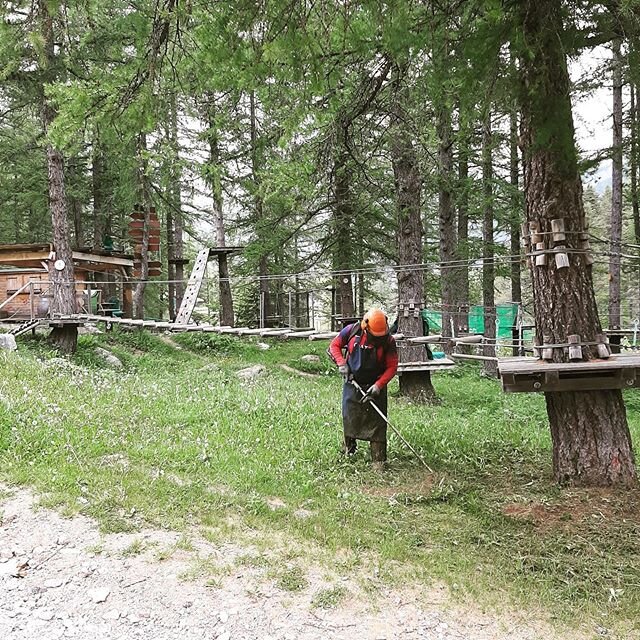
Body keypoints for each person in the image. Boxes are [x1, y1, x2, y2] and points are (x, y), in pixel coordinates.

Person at [328, 308, 398, 469]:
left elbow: (392, 366)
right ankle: (348, 451)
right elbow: (334, 346)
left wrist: (379, 386)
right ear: (366, 328)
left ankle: (378, 460)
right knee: (350, 417)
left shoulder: (388, 341)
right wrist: (341, 363)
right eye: (375, 337)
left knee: (377, 424)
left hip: (375, 385)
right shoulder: (352, 331)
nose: (378, 339)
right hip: (352, 382)